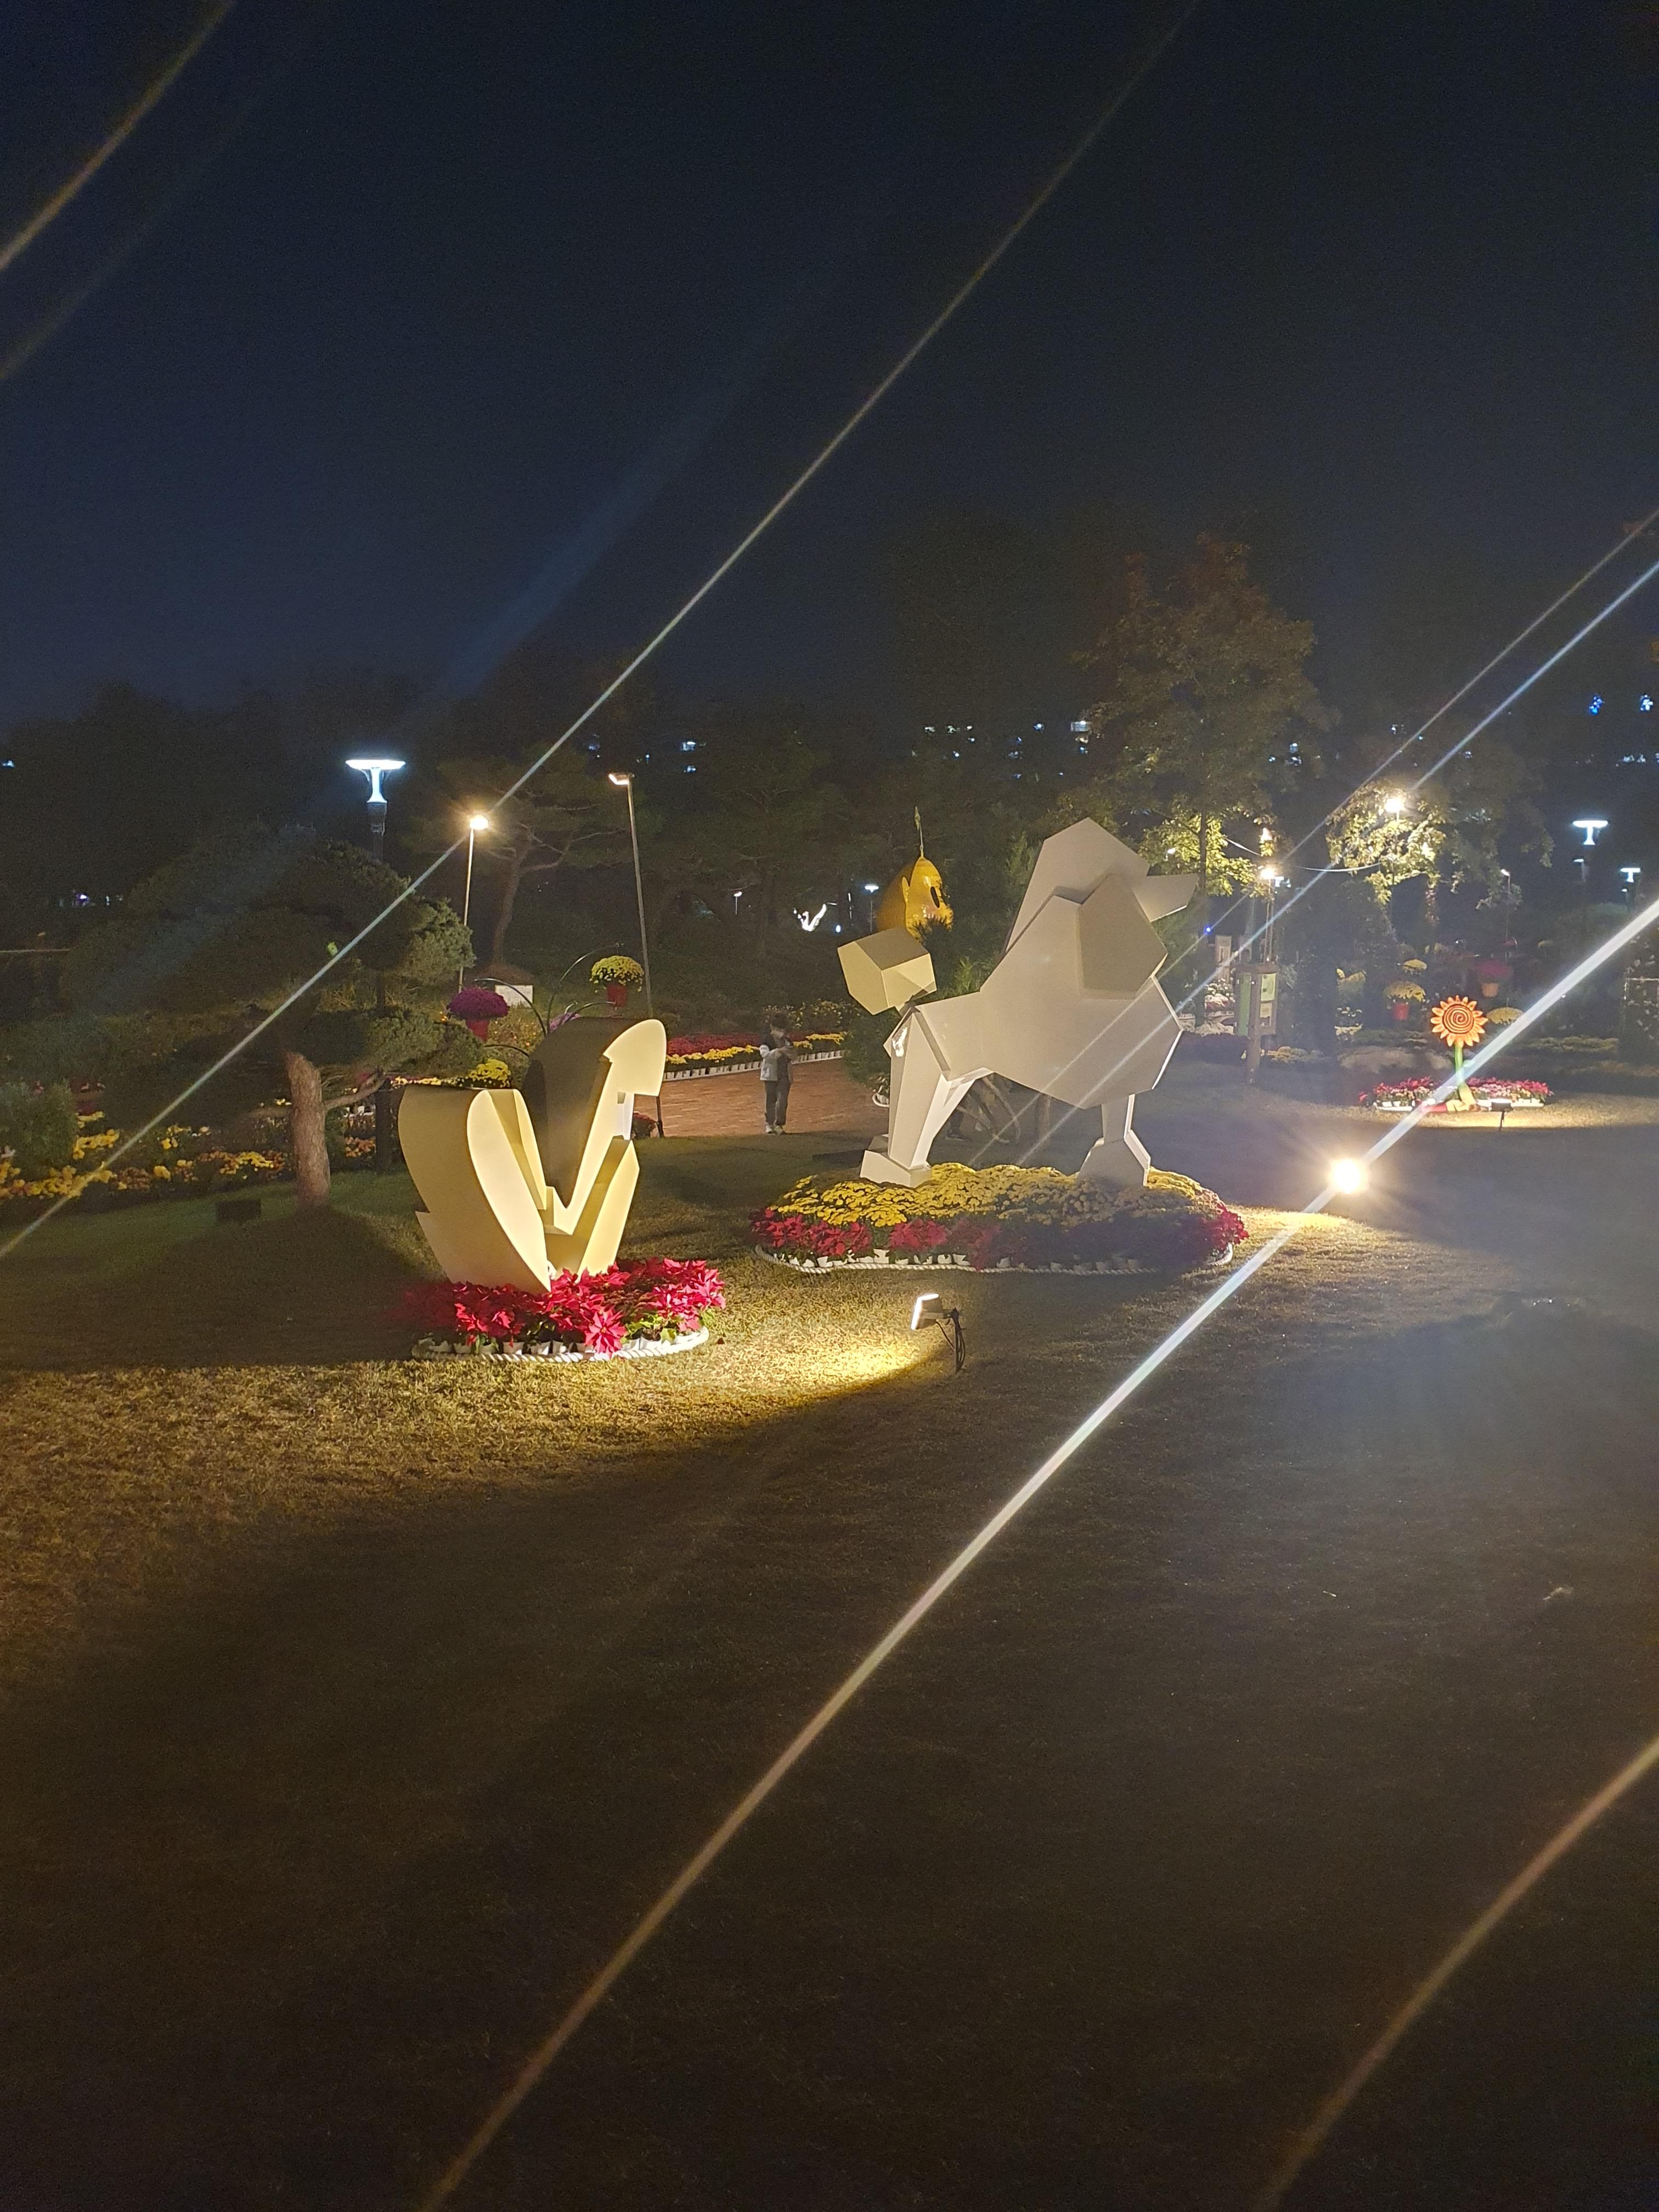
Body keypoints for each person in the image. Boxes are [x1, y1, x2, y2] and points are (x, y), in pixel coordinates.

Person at [758, 1019, 793, 1132]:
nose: (781, 1032)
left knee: (782, 1101)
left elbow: (793, 1055)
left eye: (782, 1029)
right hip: (771, 1075)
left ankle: (779, 1124)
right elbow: (766, 1055)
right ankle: (769, 1124)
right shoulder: (767, 1040)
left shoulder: (787, 1041)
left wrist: (790, 1053)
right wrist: (779, 1051)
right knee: (771, 1100)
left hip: (785, 1075)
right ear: (772, 1027)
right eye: (778, 1029)